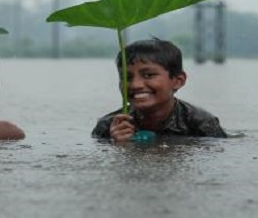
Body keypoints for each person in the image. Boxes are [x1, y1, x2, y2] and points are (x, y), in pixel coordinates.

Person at [91, 38, 227, 142]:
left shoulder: (201, 123)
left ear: (178, 80)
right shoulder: (107, 126)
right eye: (127, 77)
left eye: (148, 75)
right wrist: (119, 146)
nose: (135, 85)